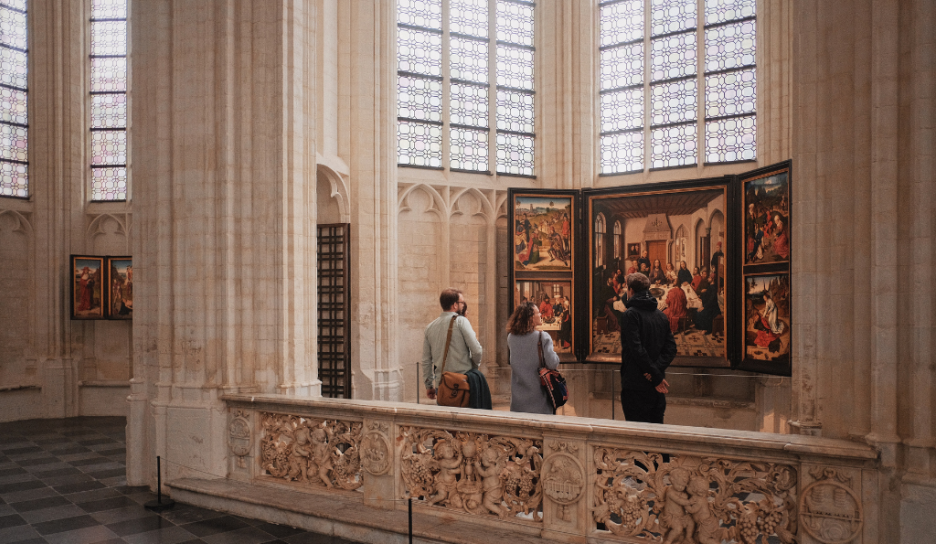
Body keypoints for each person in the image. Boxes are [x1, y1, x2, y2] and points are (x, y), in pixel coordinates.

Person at [617, 273, 677, 423]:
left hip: (635, 386)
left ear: (630, 290)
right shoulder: (661, 315)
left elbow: (637, 350)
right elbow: (671, 349)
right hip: (657, 388)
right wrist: (656, 372)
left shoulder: (630, 315)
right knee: (655, 436)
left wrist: (653, 374)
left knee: (639, 437)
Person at [422, 288, 483, 402]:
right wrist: (473, 368)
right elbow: (477, 350)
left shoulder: (430, 327)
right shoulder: (461, 321)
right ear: (455, 305)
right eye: (462, 303)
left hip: (441, 385)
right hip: (462, 382)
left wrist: (429, 385)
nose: (463, 305)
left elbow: (426, 361)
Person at [507, 301, 560, 415]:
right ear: (531, 317)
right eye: (538, 313)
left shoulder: (511, 337)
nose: (540, 315)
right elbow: (552, 363)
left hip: (518, 402)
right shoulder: (543, 337)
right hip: (539, 401)